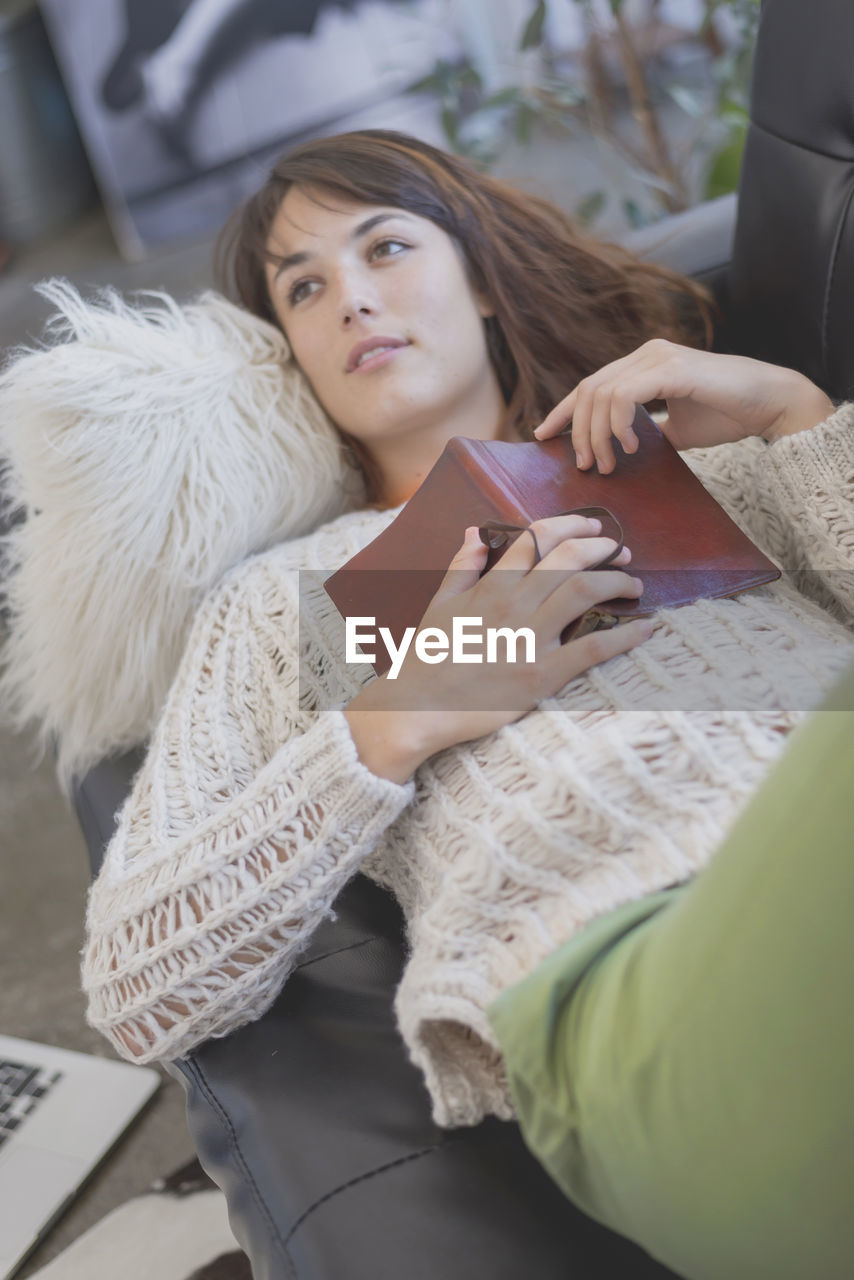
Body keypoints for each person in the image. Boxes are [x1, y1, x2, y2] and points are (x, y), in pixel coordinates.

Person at [81, 130, 853, 1276]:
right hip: (652, 1005)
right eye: (304, 286)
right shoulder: (275, 600)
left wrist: (793, 412)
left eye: (384, 246)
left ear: (483, 281)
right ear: (291, 352)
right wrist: (400, 715)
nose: (350, 297)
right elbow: (137, 983)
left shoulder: (709, 465)